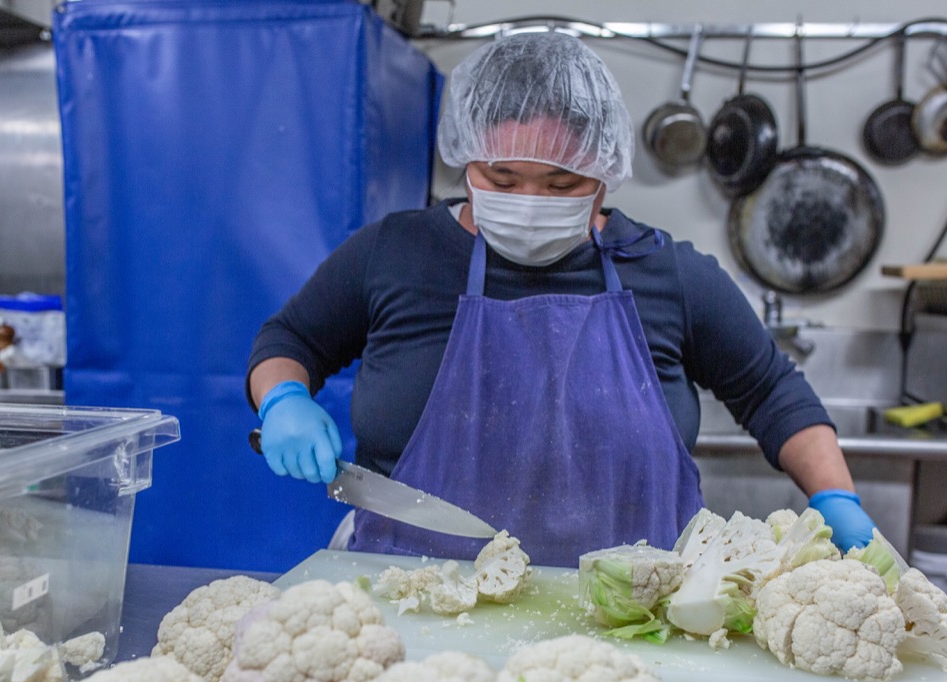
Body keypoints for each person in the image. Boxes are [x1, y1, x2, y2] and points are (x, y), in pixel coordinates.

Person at [247, 31, 876, 567]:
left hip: (629, 616)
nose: (529, 201)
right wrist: (283, 399)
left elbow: (771, 391)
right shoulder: (395, 253)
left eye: (561, 182)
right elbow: (290, 341)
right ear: (466, 158)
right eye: (501, 178)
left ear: (604, 171)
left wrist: (836, 498)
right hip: (409, 601)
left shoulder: (669, 274)